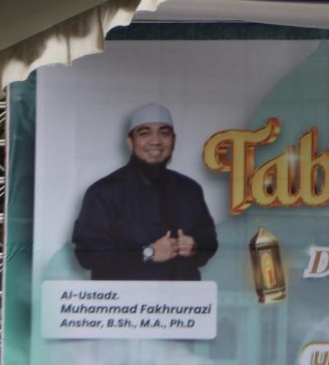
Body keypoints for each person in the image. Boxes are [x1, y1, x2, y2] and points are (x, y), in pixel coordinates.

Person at [72, 103, 219, 281]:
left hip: (182, 297)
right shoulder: (103, 192)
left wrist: (195, 247)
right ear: (130, 142)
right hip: (125, 298)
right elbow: (87, 255)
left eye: (164, 133)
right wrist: (148, 253)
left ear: (174, 141)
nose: (155, 141)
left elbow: (209, 242)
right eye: (144, 133)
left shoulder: (190, 189)